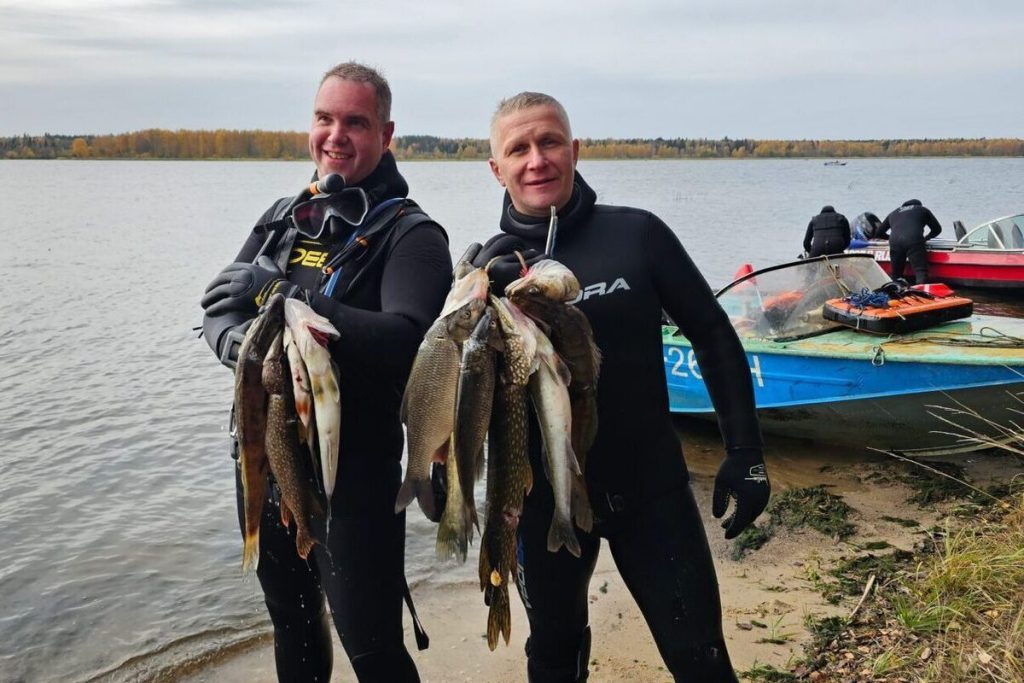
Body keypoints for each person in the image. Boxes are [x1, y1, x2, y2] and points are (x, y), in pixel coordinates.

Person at [471, 92, 770, 682]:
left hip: (651, 491)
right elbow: (461, 398)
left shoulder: (638, 235)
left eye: (550, 141)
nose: (537, 160)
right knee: (554, 659)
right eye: (519, 148)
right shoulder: (483, 275)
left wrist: (745, 452)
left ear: (575, 150)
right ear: (496, 168)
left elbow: (712, 334)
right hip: (541, 507)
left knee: (702, 658)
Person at [199, 62, 452, 682]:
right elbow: (218, 307)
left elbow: (406, 339)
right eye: (324, 118)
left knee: (371, 646)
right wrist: (241, 347)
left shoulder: (412, 235)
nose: (335, 135)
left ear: (386, 133)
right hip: (265, 457)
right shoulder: (286, 215)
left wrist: (289, 296)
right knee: (292, 623)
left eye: (355, 122)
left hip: (356, 478)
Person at [877, 199, 942, 284]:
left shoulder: (893, 213)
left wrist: (891, 238)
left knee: (896, 275)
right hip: (913, 239)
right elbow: (937, 229)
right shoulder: (922, 209)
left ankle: (896, 293)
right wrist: (926, 238)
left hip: (895, 241)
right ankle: (921, 293)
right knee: (920, 271)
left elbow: (878, 233)